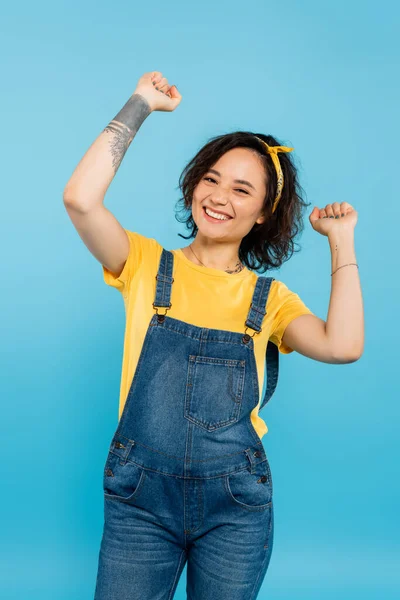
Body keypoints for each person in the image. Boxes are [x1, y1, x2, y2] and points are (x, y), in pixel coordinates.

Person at [63, 71, 363, 600]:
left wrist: (341, 240)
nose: (219, 196)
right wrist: (141, 104)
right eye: (212, 178)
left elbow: (343, 346)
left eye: (241, 189)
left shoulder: (268, 301)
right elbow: (81, 201)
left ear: (264, 212)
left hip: (235, 506)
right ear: (194, 184)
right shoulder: (144, 264)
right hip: (140, 500)